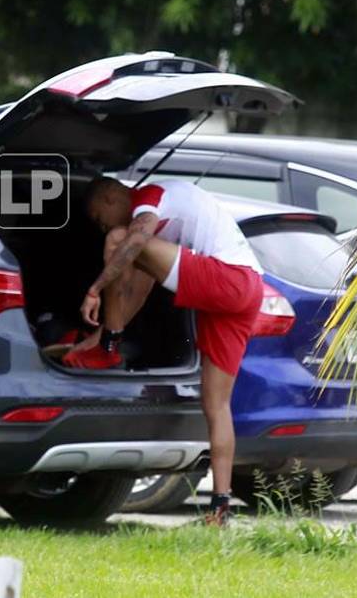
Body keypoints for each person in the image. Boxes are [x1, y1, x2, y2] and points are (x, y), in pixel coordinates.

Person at [65, 177, 264, 526]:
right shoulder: (162, 233)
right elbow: (137, 291)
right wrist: (103, 332)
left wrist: (95, 289)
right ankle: (220, 509)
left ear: (113, 197)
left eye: (100, 216)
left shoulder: (150, 197)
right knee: (216, 405)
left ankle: (109, 349)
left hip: (226, 278)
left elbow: (131, 242)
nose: (102, 226)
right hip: (248, 288)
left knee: (119, 241)